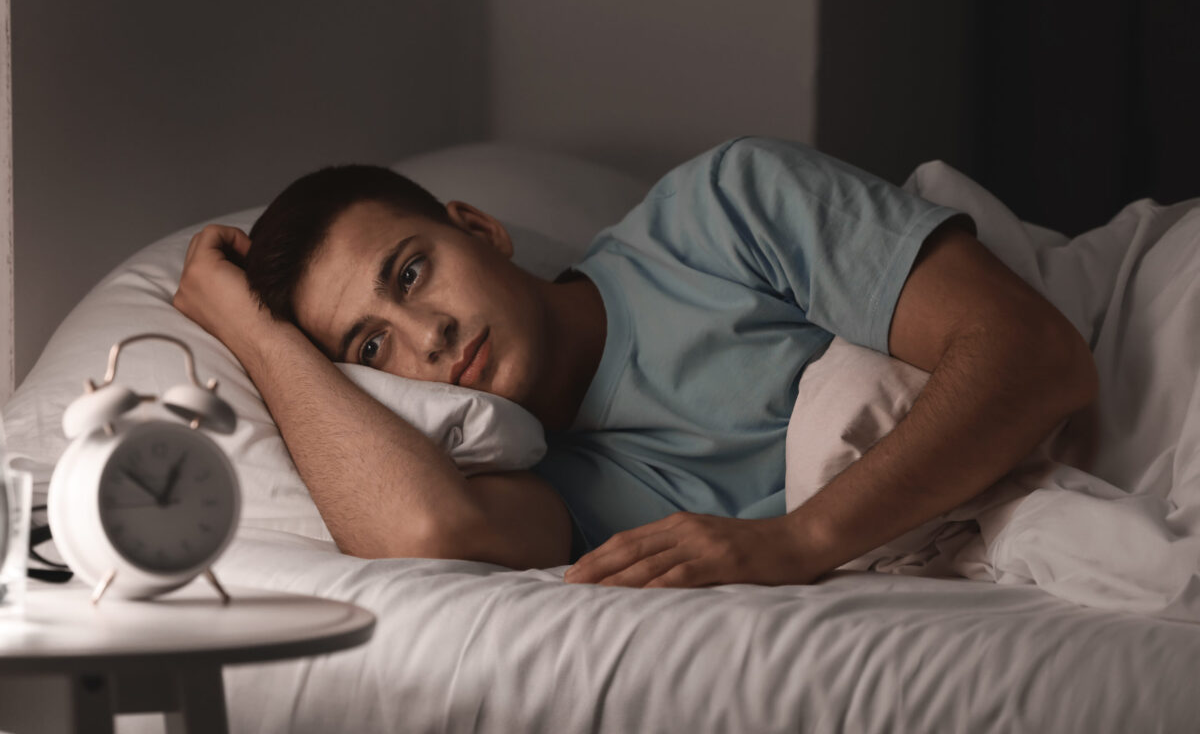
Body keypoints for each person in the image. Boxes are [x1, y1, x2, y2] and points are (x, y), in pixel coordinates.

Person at [173, 137, 1098, 589]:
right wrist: (262, 340)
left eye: (413, 272)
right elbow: (424, 528)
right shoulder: (552, 494)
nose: (430, 337)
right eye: (371, 348)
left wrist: (799, 539)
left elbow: (1034, 352)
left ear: (480, 229)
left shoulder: (722, 210)